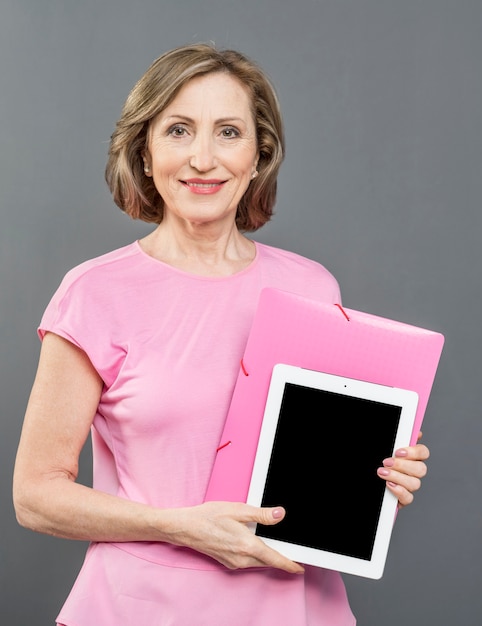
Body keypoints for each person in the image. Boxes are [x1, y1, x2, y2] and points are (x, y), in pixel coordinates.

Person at [13, 43, 430, 625]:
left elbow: (321, 470)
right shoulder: (94, 294)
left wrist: (381, 475)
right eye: (179, 130)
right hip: (143, 609)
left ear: (259, 155)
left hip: (296, 608)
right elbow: (35, 495)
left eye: (228, 132)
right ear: (146, 150)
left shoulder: (311, 287)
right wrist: (179, 527)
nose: (203, 159)